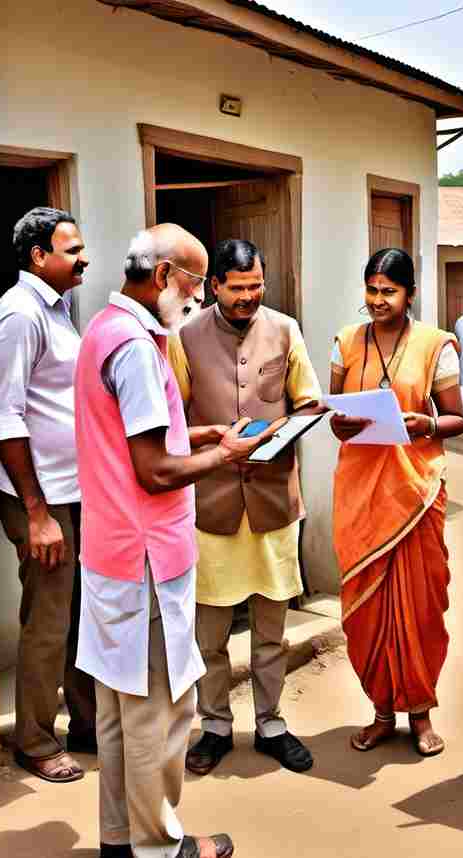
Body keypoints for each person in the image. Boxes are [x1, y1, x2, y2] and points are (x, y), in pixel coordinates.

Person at [74, 224, 277, 858]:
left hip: (109, 554)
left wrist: (206, 433)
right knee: (160, 713)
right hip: (145, 561)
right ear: (164, 276)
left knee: (116, 713)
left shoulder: (103, 329)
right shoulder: (135, 347)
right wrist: (229, 453)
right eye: (193, 287)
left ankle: (119, 839)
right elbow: (154, 470)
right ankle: (160, 846)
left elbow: (141, 442)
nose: (194, 302)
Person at [168, 239, 322, 777]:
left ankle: (272, 723)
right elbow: (171, 422)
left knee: (271, 627)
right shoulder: (183, 337)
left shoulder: (284, 330)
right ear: (215, 287)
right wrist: (215, 448)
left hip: (273, 500)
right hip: (209, 505)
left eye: (256, 287)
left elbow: (308, 405)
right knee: (209, 633)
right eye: (238, 289)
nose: (249, 297)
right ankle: (213, 724)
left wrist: (273, 437)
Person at [329, 248, 463, 756]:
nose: (378, 300)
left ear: (410, 293)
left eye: (389, 291)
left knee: (420, 605)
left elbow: (457, 418)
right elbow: (336, 410)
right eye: (372, 290)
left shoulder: (436, 345)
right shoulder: (346, 342)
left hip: (416, 488)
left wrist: (426, 423)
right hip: (361, 488)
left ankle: (421, 713)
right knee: (366, 607)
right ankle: (382, 713)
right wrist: (340, 423)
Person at [0, 206, 97, 783]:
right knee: (49, 619)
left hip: (70, 490)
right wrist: (36, 513)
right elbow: (5, 418)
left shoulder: (57, 310)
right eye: (73, 249)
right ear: (38, 256)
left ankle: (85, 724)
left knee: (80, 615)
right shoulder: (19, 313)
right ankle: (32, 738)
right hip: (40, 498)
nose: (84, 258)